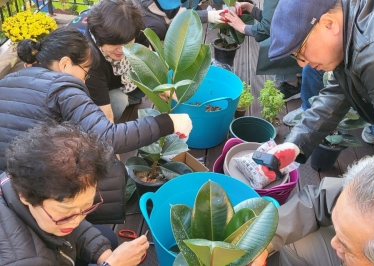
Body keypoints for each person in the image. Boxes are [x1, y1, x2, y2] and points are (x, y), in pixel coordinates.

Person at [0, 27, 192, 223]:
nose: (85, 79)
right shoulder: (62, 87)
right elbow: (108, 137)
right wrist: (168, 122)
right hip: (46, 199)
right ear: (65, 64)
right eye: (86, 72)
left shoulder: (7, 81)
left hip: (9, 192)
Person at [263, 0, 374, 165]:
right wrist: (294, 145)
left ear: (329, 24)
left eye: (300, 50)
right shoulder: (348, 26)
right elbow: (337, 93)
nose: (301, 63)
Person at [0, 121, 149, 265]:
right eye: (66, 212)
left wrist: (105, 255)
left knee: (107, 238)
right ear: (25, 196)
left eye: (86, 206)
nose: (77, 220)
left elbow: (73, 222)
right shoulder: (24, 260)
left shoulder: (19, 177)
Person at [68, 0, 225, 122]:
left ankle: (132, 94)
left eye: (126, 43)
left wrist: (169, 94)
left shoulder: (132, 28)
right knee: (118, 102)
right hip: (87, 90)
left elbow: (149, 64)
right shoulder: (89, 58)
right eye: (114, 45)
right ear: (99, 37)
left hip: (118, 77)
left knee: (143, 82)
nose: (121, 50)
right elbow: (106, 116)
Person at [251, 154, 374, 265]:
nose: (333, 243)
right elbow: (319, 201)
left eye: (346, 247)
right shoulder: (368, 188)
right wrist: (262, 241)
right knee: (300, 240)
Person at [223, 0, 302, 101]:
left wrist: (243, 27)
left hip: (301, 39)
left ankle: (292, 86)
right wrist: (250, 8)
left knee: (272, 45)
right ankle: (299, 72)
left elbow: (267, 29)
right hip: (308, 28)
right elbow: (275, 17)